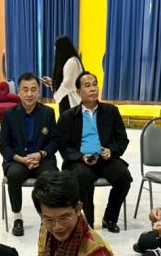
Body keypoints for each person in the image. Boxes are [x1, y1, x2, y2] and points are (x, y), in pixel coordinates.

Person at [54, 71, 131, 232]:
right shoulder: (68, 116)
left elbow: (122, 139)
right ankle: (88, 222)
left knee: (124, 177)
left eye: (95, 85)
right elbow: (63, 145)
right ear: (78, 92)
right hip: (81, 160)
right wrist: (80, 156)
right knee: (82, 177)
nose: (93, 89)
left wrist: (111, 151)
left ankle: (110, 218)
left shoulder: (111, 111)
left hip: (105, 158)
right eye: (87, 86)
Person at [0, 72, 58, 237]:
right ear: (19, 92)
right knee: (14, 175)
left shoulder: (48, 112)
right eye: (25, 90)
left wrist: (40, 154)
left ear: (38, 91)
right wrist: (21, 159)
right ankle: (17, 217)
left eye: (33, 89)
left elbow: (55, 141)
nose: (29, 94)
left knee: (51, 176)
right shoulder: (9, 114)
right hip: (18, 159)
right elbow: (3, 145)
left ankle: (47, 217)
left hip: (42, 158)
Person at [47, 35, 84, 113]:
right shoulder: (69, 61)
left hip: (70, 102)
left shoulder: (71, 62)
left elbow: (67, 85)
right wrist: (52, 83)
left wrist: (56, 96)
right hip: (67, 100)